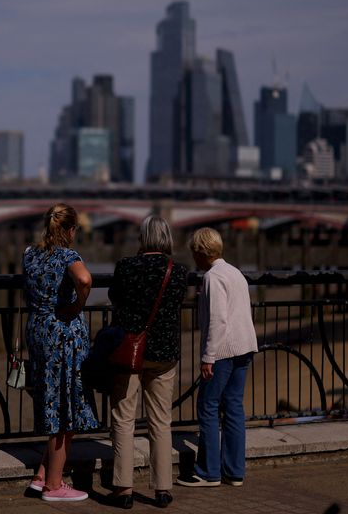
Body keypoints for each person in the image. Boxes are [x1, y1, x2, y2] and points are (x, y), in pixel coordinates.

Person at [106, 215, 188, 509]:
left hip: (129, 352)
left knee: (124, 419)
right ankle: (162, 489)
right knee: (161, 421)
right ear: (167, 239)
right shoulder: (178, 271)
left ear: (142, 238)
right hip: (164, 354)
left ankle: (123, 489)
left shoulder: (125, 267)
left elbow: (114, 297)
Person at [22, 203, 98, 502]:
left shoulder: (30, 254)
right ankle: (55, 485)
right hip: (63, 334)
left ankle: (41, 476)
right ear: (70, 230)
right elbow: (85, 279)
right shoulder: (68, 256)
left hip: (38, 330)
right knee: (66, 406)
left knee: (51, 399)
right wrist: (78, 305)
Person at [177, 227, 258, 488]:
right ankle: (235, 471)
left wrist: (208, 357)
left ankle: (208, 471)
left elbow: (218, 321)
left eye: (194, 252)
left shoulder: (212, 277)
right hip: (245, 346)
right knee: (234, 406)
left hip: (223, 350)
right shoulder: (236, 273)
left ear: (200, 252)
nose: (193, 257)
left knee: (208, 406)